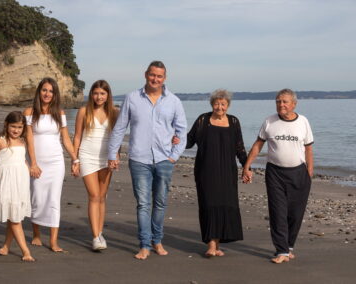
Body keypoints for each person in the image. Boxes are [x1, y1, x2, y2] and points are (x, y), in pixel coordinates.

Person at [108, 61, 187, 260]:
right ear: (146, 74)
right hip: (139, 159)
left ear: (164, 78)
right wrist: (112, 154)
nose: (155, 79)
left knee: (160, 204)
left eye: (159, 76)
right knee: (143, 204)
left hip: (164, 159)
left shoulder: (174, 101)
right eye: (152, 75)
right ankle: (144, 244)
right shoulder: (132, 98)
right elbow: (120, 128)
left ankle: (157, 241)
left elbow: (181, 130)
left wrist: (174, 156)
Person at [242, 88, 314, 264]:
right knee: (278, 212)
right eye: (278, 101)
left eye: (284, 101)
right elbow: (258, 145)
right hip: (275, 173)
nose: (281, 104)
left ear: (293, 104)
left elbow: (309, 149)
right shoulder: (269, 121)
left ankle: (289, 247)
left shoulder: (303, 122)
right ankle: (281, 250)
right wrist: (246, 166)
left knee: (295, 213)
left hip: (299, 173)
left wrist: (309, 174)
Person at [186, 89, 247, 257]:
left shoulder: (234, 122)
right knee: (209, 205)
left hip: (228, 172)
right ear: (212, 104)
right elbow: (189, 141)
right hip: (206, 171)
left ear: (228, 105)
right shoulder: (203, 120)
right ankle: (211, 246)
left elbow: (240, 148)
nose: (220, 107)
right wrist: (173, 139)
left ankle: (217, 245)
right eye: (217, 103)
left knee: (224, 205)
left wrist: (246, 166)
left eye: (223, 104)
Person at [24, 77, 79, 252]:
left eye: (51, 91)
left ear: (55, 95)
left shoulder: (60, 114)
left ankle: (54, 241)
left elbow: (65, 139)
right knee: (37, 199)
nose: (47, 94)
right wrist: (33, 163)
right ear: (39, 91)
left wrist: (74, 158)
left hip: (56, 162)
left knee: (54, 200)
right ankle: (37, 235)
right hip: (37, 162)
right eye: (44, 90)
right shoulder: (29, 112)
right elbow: (29, 139)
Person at [0, 111, 35, 262]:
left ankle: (6, 246)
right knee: (15, 218)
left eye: (20, 127)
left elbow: (23, 161)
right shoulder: (0, 141)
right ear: (6, 125)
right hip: (7, 182)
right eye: (13, 126)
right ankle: (26, 251)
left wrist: (30, 169)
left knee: (13, 214)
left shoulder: (22, 142)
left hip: (21, 182)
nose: (16, 130)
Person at [73, 80, 119, 251]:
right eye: (96, 93)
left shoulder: (114, 112)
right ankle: (95, 236)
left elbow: (117, 137)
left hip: (106, 158)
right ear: (91, 94)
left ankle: (100, 233)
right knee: (93, 195)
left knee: (102, 196)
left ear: (108, 96)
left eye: (102, 93)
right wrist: (75, 159)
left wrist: (116, 156)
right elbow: (77, 136)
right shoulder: (84, 111)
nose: (99, 97)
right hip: (87, 156)